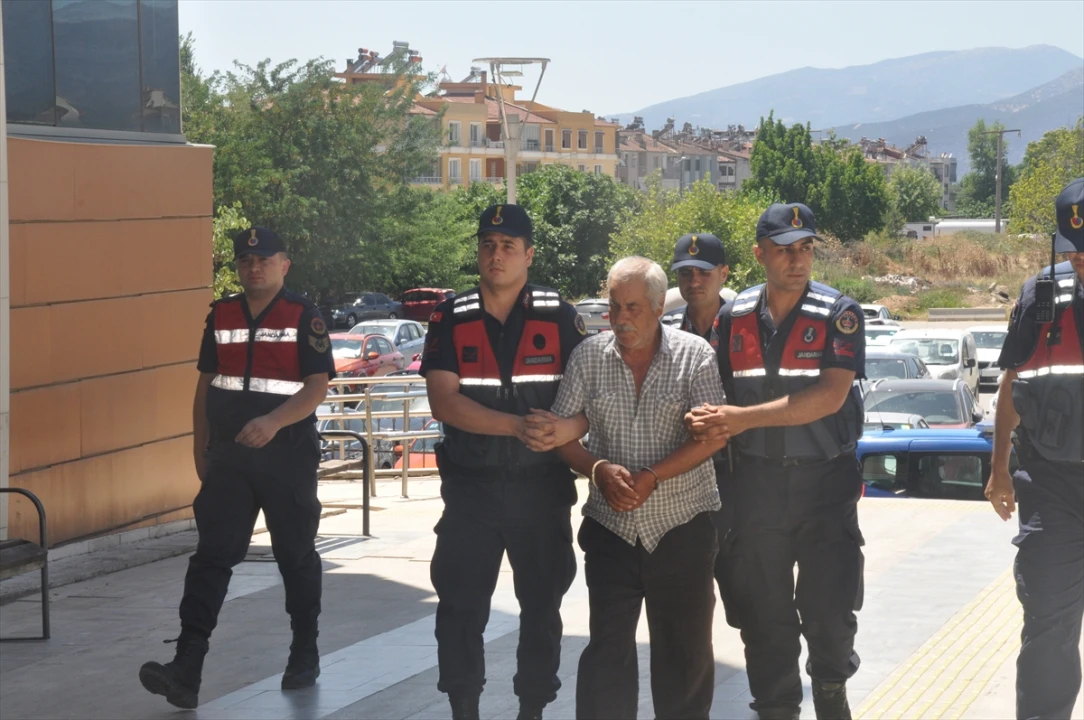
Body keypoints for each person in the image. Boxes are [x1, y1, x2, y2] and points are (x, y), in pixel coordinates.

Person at [139, 227, 336, 709]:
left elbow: (317, 387)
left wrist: (273, 422)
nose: (255, 267)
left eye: (264, 259)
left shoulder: (303, 315)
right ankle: (186, 668)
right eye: (246, 260)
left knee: (295, 556)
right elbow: (206, 385)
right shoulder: (222, 314)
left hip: (286, 456)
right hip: (229, 458)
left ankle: (304, 651)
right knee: (211, 557)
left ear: (284, 265)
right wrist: (199, 449)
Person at [687, 203, 867, 720]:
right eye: (785, 250)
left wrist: (741, 419)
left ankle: (830, 689)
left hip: (825, 486)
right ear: (759, 254)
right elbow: (710, 392)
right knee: (764, 617)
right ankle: (776, 708)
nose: (798, 260)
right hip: (755, 488)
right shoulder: (733, 317)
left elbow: (830, 396)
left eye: (806, 248)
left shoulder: (839, 313)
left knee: (829, 612)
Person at [421, 203, 588, 720]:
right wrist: (516, 426)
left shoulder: (558, 315)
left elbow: (590, 399)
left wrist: (568, 429)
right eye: (487, 245)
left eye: (508, 246)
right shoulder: (451, 316)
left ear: (529, 255)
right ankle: (464, 707)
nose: (496, 255)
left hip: (541, 489)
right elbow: (443, 401)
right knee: (459, 607)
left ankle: (531, 708)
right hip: (471, 491)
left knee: (542, 609)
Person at [547, 256, 725, 720]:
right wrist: (597, 469)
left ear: (658, 308)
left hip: (682, 528)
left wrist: (652, 476)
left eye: (633, 308)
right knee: (607, 654)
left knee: (685, 656)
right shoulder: (588, 356)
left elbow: (712, 437)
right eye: (614, 307)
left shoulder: (694, 355)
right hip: (611, 531)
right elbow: (561, 434)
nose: (621, 318)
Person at [984, 176, 1084, 720]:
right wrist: (999, 469)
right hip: (1051, 483)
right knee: (1048, 622)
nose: (1081, 259)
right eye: (1074, 249)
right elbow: (1011, 384)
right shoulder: (1039, 297)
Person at [661, 232, 743, 630]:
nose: (694, 282)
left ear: (724, 273)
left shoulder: (748, 326)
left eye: (704, 272)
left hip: (737, 476)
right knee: (687, 601)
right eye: (685, 273)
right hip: (683, 480)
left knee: (745, 597)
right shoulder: (664, 333)